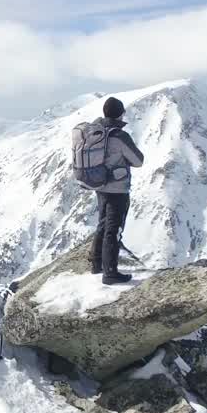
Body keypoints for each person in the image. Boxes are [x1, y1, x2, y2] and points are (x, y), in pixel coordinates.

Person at [89, 96, 144, 284]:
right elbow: (138, 160)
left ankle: (96, 264)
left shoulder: (96, 132)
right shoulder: (119, 136)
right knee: (114, 228)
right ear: (120, 114)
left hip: (99, 184)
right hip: (117, 189)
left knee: (103, 224)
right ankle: (110, 272)